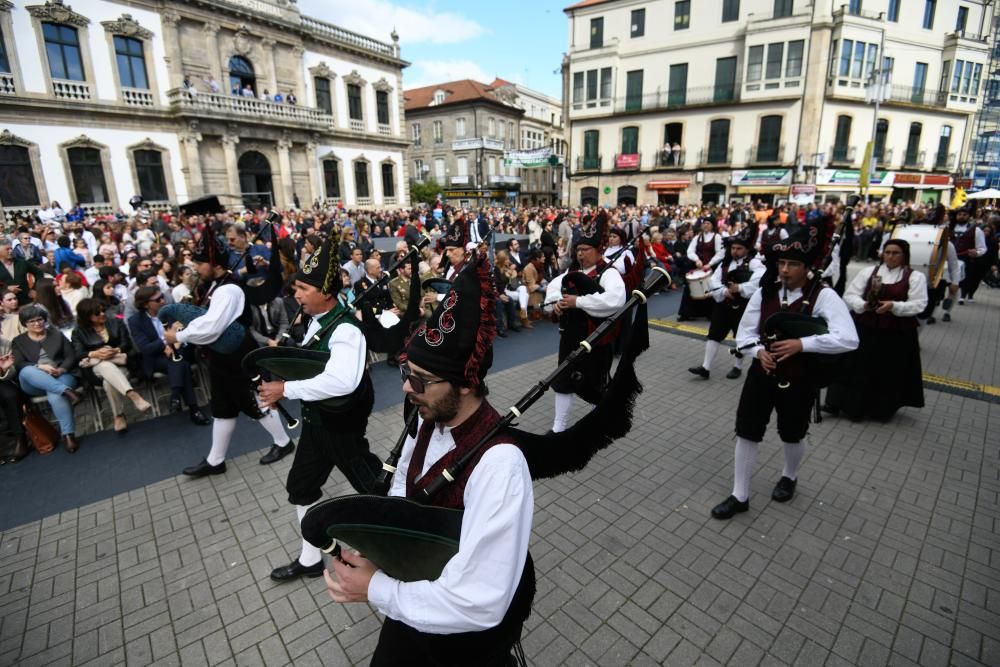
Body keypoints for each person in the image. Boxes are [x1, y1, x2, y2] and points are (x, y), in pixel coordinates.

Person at [322, 253, 535, 666]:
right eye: (406, 372)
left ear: (467, 384)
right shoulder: (426, 419)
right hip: (413, 605)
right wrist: (378, 553)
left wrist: (376, 590)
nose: (405, 388)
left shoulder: (500, 465)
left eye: (419, 379)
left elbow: (479, 601)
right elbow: (404, 497)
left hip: (460, 637)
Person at [710, 222, 858, 520]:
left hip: (800, 377)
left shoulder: (823, 296)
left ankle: (789, 476)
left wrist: (802, 344)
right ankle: (740, 495)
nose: (786, 270)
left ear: (807, 267)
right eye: (782, 263)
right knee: (746, 432)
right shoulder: (765, 294)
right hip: (761, 373)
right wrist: (758, 351)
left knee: (792, 433)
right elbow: (745, 333)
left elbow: (848, 338)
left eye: (793, 264)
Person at [257, 238, 382, 583]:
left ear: (325, 293)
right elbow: (314, 367)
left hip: (341, 426)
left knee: (375, 487)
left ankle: (403, 539)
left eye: (302, 288)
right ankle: (312, 558)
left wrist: (287, 389)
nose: (295, 295)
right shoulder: (317, 321)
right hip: (317, 423)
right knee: (301, 486)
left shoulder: (345, 329)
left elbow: (342, 381)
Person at [164, 231, 293, 476]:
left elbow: (213, 326)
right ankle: (215, 460)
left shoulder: (228, 289)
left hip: (236, 354)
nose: (196, 268)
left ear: (215, 264)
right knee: (223, 407)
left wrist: (179, 336)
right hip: (221, 354)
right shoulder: (215, 285)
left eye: (200, 264)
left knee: (253, 401)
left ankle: (284, 443)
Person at [824, 240, 927, 421]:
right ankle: (841, 403)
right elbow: (850, 294)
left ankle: (879, 409)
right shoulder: (869, 272)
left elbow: (919, 304)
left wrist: (893, 306)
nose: (890, 256)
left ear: (905, 256)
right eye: (887, 252)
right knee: (854, 365)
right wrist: (863, 304)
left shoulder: (915, 277)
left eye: (896, 253)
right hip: (866, 325)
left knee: (886, 369)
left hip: (895, 331)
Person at [544, 210, 625, 433]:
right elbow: (553, 288)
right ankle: (558, 427)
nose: (580, 254)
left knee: (595, 384)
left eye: (585, 250)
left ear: (598, 250)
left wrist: (578, 302)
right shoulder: (572, 271)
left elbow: (616, 300)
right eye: (578, 250)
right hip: (570, 336)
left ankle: (597, 422)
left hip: (596, 338)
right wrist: (557, 303)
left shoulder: (608, 273)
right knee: (563, 381)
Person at [688, 229, 764, 380]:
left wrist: (740, 288)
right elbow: (713, 282)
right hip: (724, 304)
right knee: (714, 335)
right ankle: (706, 367)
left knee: (741, 336)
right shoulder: (725, 263)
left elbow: (760, 281)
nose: (735, 251)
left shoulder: (755, 263)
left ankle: (737, 366)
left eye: (739, 248)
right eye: (733, 248)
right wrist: (724, 292)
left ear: (746, 249)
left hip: (744, 307)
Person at [128, 286, 208, 425]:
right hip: (157, 358)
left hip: (180, 351)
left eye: (162, 297)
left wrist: (177, 342)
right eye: (157, 299)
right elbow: (145, 348)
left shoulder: (172, 311)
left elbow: (189, 332)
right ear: (146, 304)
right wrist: (167, 339)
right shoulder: (135, 321)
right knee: (180, 364)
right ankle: (193, 409)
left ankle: (177, 397)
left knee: (179, 361)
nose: (162, 301)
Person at [72, 298, 152, 433]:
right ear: (87, 316)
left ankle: (118, 416)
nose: (102, 314)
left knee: (108, 383)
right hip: (95, 369)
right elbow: (78, 354)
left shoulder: (116, 322)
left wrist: (114, 350)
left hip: (120, 363)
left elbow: (126, 344)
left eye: (103, 310)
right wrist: (96, 353)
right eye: (97, 313)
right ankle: (133, 395)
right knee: (104, 365)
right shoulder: (78, 332)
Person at [12, 304, 82, 453]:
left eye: (39, 319)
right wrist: (40, 367)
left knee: (55, 395)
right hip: (34, 383)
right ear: (25, 324)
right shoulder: (19, 341)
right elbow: (19, 364)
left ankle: (68, 435)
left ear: (44, 320)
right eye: (32, 321)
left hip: (61, 375)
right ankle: (67, 392)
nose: (37, 324)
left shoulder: (56, 334)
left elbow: (70, 356)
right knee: (26, 371)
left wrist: (61, 369)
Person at [678, 217, 723, 321]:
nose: (705, 225)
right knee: (690, 288)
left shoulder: (717, 237)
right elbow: (690, 251)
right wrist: (697, 260)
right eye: (704, 223)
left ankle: (710, 314)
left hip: (710, 267)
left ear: (713, 225)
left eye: (708, 223)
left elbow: (720, 253)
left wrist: (710, 264)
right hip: (698, 266)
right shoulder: (697, 237)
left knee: (710, 289)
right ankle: (686, 313)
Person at [0, 334, 29, 464]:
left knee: (10, 395)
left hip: (3, 381)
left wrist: (3, 369)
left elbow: (12, 370)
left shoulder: (5, 343)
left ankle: (20, 438)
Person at [951, 204, 988, 303]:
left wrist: (976, 253)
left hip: (965, 260)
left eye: (964, 214)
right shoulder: (949, 228)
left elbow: (982, 248)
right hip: (948, 260)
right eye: (959, 214)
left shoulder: (976, 230)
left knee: (962, 281)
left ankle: (961, 297)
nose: (961, 216)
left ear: (969, 216)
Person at [0, 238, 46, 305]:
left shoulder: (21, 262)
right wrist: (6, 289)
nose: (10, 251)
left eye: (11, 249)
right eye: (7, 249)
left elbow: (39, 273)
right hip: (5, 304)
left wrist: (34, 289)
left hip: (26, 300)